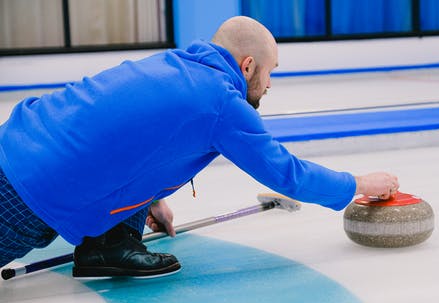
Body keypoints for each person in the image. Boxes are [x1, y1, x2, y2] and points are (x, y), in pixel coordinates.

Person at [0, 16, 399, 277]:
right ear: (247, 66)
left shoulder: (174, 63)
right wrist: (360, 183)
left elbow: (130, 136)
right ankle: (108, 242)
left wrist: (147, 202)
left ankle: (111, 242)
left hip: (17, 141)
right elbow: (285, 173)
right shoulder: (222, 102)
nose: (270, 84)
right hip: (27, 190)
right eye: (270, 71)